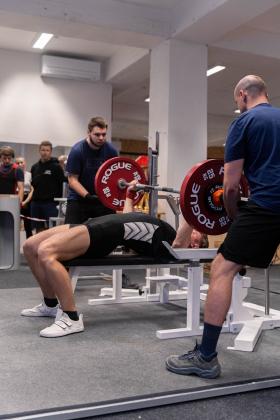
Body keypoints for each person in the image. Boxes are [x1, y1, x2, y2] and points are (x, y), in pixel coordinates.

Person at [166, 74, 280, 379]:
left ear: (243, 95)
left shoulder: (243, 123)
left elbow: (229, 188)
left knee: (221, 269)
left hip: (267, 204)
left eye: (236, 101)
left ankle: (206, 357)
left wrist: (233, 218)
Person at [65, 116, 118, 224]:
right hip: (79, 198)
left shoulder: (111, 151)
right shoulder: (77, 150)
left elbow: (114, 176)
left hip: (102, 199)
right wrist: (88, 196)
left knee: (110, 232)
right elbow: (72, 180)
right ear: (89, 132)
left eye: (104, 134)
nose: (101, 138)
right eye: (97, 134)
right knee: (71, 234)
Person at [30, 141, 65, 232]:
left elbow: (63, 183)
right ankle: (39, 246)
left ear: (50, 152)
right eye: (43, 150)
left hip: (51, 204)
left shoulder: (56, 167)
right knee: (38, 229)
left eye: (47, 150)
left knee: (52, 230)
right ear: (39, 151)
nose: (45, 152)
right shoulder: (34, 167)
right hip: (36, 203)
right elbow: (32, 185)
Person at [15, 156, 34, 238]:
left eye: (21, 162)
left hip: (27, 199)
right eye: (17, 163)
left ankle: (29, 246)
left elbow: (32, 189)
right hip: (16, 199)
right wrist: (19, 201)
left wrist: (25, 201)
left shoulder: (29, 175)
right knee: (15, 224)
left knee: (28, 225)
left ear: (25, 163)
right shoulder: (14, 173)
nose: (20, 164)